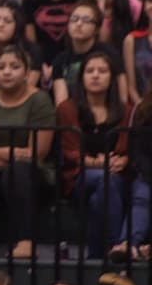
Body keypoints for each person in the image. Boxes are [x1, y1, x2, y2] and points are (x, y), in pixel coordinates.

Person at [0, 45, 56, 259]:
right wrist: (12, 153)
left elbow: (37, 153)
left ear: (27, 73)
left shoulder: (40, 101)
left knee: (18, 171)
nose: (7, 72)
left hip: (34, 174)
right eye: (1, 67)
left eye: (14, 67)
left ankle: (25, 241)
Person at [57, 51, 134, 259]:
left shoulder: (126, 110)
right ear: (81, 77)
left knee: (100, 198)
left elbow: (129, 149)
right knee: (104, 180)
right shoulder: (67, 109)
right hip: (80, 177)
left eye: (102, 71)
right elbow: (70, 151)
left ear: (112, 77)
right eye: (90, 71)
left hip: (116, 178)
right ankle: (115, 250)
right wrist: (96, 163)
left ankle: (96, 258)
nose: (96, 75)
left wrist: (125, 159)